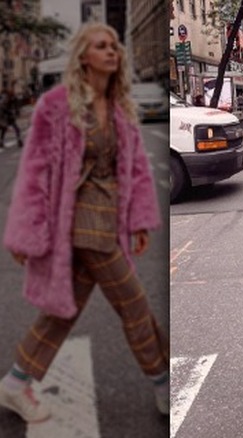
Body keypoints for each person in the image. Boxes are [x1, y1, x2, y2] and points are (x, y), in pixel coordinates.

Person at [0, 22, 170, 424]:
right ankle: (163, 381)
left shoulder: (118, 106)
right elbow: (35, 171)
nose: (111, 51)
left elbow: (136, 172)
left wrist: (138, 220)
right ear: (83, 57)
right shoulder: (56, 105)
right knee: (134, 303)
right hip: (80, 222)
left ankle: (16, 381)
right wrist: (26, 233)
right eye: (100, 46)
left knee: (64, 310)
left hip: (109, 217)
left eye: (113, 45)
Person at [0, 84, 23, 148]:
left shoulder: (10, 98)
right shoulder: (4, 99)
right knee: (6, 129)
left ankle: (19, 140)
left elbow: (15, 106)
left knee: (5, 129)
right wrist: (9, 112)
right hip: (4, 117)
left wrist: (15, 112)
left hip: (7, 116)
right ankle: (19, 140)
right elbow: (2, 107)